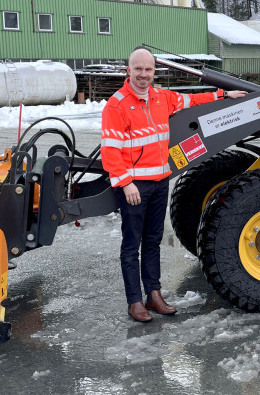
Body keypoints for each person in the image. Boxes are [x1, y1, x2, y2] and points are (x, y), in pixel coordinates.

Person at [101, 47, 247, 323]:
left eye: (148, 70)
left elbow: (192, 100)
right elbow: (111, 151)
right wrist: (126, 183)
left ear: (154, 71)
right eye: (138, 69)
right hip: (135, 187)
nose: (144, 75)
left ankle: (154, 295)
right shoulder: (117, 105)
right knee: (132, 245)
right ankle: (135, 301)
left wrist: (224, 95)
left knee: (153, 241)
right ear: (128, 70)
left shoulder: (162, 98)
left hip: (159, 183)